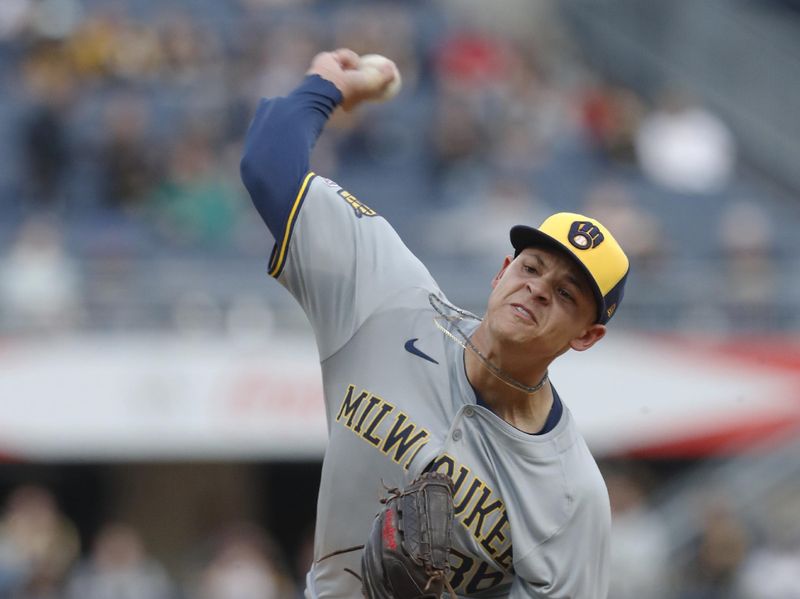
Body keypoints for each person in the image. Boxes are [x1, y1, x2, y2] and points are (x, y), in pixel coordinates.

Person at [240, 48, 629, 599]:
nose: (537, 289)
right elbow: (267, 165)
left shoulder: (571, 496)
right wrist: (326, 85)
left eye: (566, 294)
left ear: (587, 337)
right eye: (531, 266)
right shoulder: (391, 299)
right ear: (502, 271)